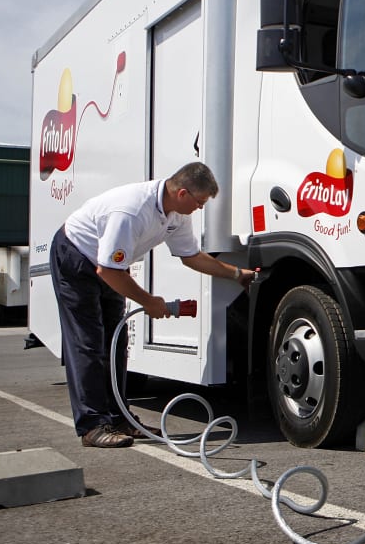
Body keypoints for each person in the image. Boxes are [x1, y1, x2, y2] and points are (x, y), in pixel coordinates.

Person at [50, 162, 256, 448]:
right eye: (199, 202)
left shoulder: (176, 213)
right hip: (76, 256)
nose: (199, 208)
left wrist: (236, 274)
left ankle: (120, 418)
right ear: (182, 193)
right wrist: (149, 302)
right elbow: (108, 271)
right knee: (88, 343)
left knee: (115, 342)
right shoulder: (132, 211)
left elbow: (191, 256)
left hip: (106, 264)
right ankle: (92, 425)